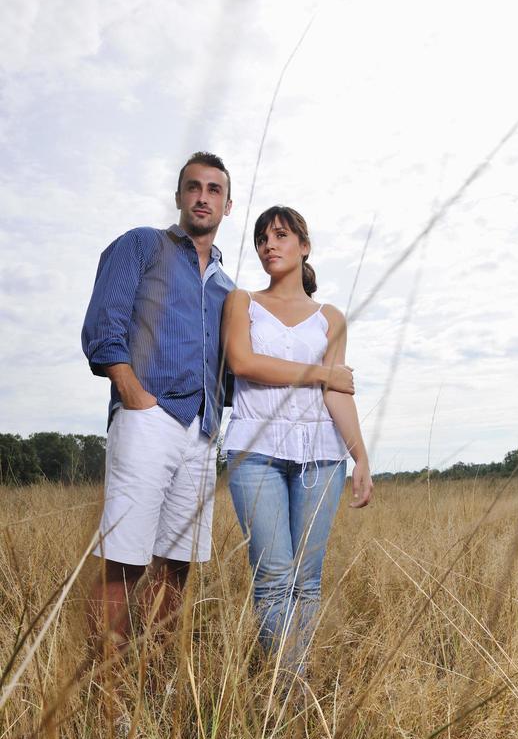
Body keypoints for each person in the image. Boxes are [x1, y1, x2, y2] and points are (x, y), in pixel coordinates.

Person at [81, 156, 355, 654]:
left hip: (204, 431)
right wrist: (132, 393)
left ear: (227, 206)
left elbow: (231, 372)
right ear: (180, 196)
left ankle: (154, 675)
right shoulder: (143, 245)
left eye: (214, 190)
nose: (202, 197)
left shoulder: (229, 290)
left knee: (176, 562)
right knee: (124, 557)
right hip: (149, 416)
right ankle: (106, 689)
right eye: (193, 188)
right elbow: (105, 322)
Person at [221, 205, 373, 680]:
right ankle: (283, 690)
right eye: (262, 238)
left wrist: (360, 457)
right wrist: (322, 371)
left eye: (281, 235)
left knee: (307, 581)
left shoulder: (331, 318)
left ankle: (296, 680)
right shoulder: (242, 301)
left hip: (322, 457)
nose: (269, 244)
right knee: (272, 577)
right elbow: (243, 364)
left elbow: (338, 392)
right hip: (255, 452)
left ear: (304, 246)